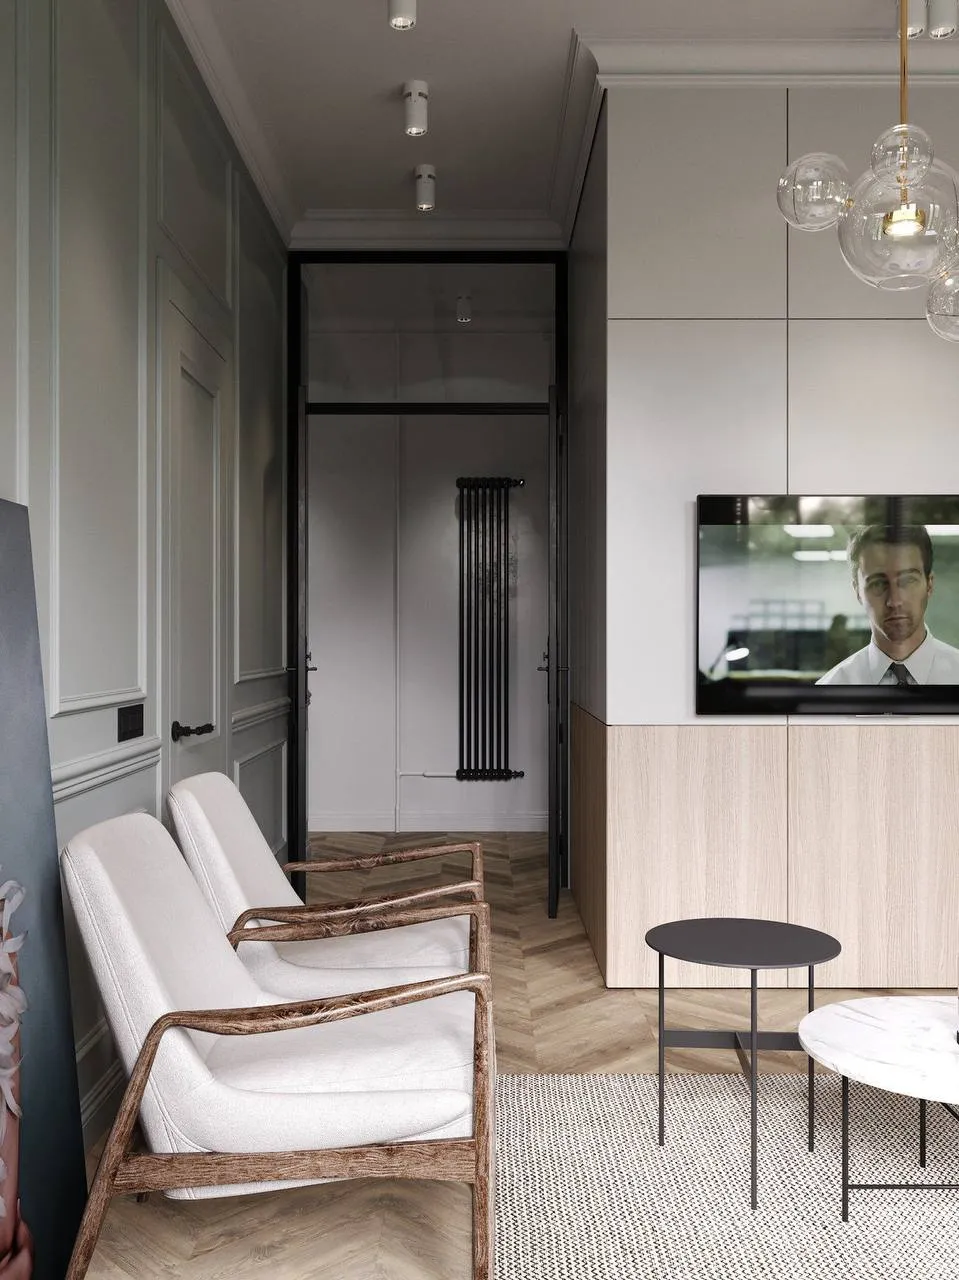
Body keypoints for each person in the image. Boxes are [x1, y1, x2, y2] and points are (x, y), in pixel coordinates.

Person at [816, 523, 959, 685]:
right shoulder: (830, 690)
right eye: (877, 584)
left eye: (908, 580)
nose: (895, 601)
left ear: (929, 584)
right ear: (858, 592)